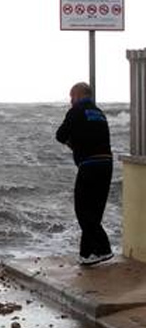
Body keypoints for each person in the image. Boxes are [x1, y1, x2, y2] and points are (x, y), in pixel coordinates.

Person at [56, 82, 113, 266]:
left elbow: (60, 135)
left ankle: (104, 249)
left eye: (71, 97)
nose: (70, 101)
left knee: (82, 210)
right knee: (94, 211)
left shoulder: (76, 111)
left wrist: (73, 144)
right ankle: (87, 254)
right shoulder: (99, 112)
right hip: (107, 164)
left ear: (78, 96)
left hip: (90, 165)